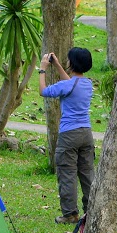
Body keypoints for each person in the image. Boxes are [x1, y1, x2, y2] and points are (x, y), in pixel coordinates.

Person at [39, 47, 96, 224]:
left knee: (67, 174)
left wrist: (42, 69)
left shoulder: (66, 85)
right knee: (87, 173)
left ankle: (70, 214)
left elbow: (43, 91)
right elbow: (71, 84)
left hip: (69, 135)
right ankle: (92, 211)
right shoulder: (87, 84)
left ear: (72, 63)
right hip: (86, 134)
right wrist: (57, 65)